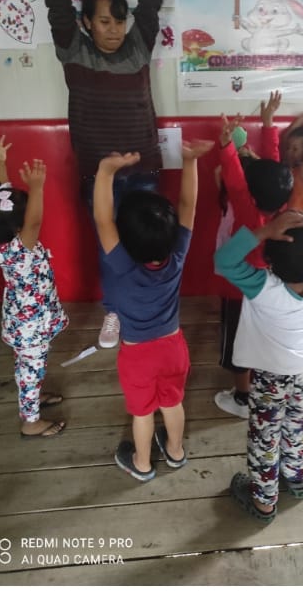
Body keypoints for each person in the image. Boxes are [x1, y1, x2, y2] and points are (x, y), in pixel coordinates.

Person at [32, 0, 173, 348]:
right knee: (110, 249)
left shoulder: (138, 45)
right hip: (100, 176)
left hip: (145, 169)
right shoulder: (73, 51)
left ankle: (149, 309)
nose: (114, 30)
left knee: (150, 245)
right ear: (87, 24)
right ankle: (114, 312)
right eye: (105, 22)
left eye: (119, 21)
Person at [215, 202, 303, 520]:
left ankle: (264, 502)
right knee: (298, 426)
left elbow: (223, 260)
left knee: (265, 438)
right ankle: (296, 479)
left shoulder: (261, 286)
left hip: (269, 380)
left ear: (269, 260)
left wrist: (264, 231)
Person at [96, 141, 213, 482]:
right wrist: (190, 161)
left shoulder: (121, 265)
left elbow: (102, 219)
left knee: (143, 412)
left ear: (124, 239)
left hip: (137, 356)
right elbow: (189, 204)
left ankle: (142, 463)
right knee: (172, 402)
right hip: (174, 348)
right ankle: (175, 452)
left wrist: (105, 172)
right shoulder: (177, 256)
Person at [0, 134, 68, 436]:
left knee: (28, 365)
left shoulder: (0, 239)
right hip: (31, 324)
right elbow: (34, 222)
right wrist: (37, 188)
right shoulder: (20, 249)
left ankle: (34, 396)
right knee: (30, 370)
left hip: (25, 317)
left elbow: (1, 196)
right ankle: (31, 421)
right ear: (19, 226)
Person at [213, 102, 295, 417]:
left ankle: (242, 398)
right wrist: (268, 123)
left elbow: (234, 178)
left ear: (251, 191)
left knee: (237, 345)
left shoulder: (247, 210)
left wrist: (226, 145)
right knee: (260, 339)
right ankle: (260, 389)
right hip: (268, 289)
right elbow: (275, 167)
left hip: (238, 291)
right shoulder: (280, 208)